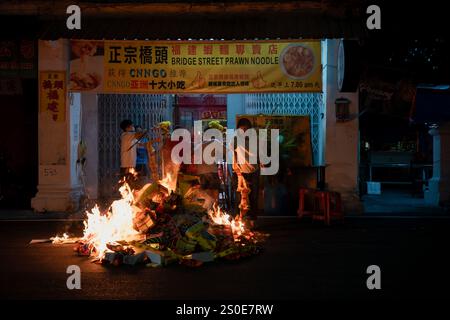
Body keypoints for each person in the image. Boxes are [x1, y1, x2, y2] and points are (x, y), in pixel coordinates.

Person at [232, 117, 260, 228]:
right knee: (239, 197)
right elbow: (233, 156)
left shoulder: (255, 139)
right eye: (242, 129)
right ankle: (238, 220)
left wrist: (261, 161)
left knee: (253, 197)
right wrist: (237, 171)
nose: (244, 131)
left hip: (254, 171)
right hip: (240, 172)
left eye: (246, 129)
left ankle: (252, 220)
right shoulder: (235, 140)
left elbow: (260, 154)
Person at [119, 119, 144, 187]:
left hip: (132, 163)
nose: (133, 127)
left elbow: (140, 144)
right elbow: (139, 134)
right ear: (127, 128)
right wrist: (142, 130)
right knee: (126, 183)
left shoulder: (131, 137)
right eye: (131, 126)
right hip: (126, 164)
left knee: (131, 183)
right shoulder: (125, 135)